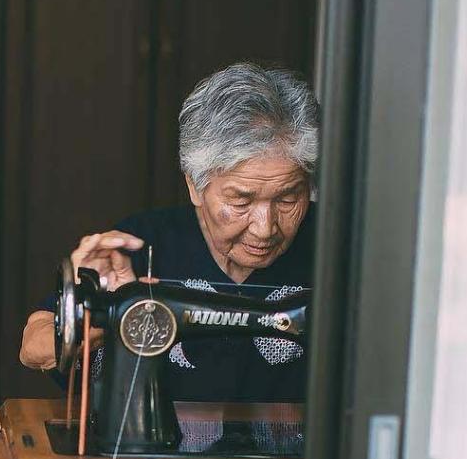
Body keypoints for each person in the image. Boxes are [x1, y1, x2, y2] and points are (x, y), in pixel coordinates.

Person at [19, 62, 319, 402]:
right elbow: (33, 348)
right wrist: (108, 310)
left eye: (288, 198)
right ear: (195, 186)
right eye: (241, 201)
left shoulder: (336, 249)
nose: (265, 228)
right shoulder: (141, 244)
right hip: (162, 453)